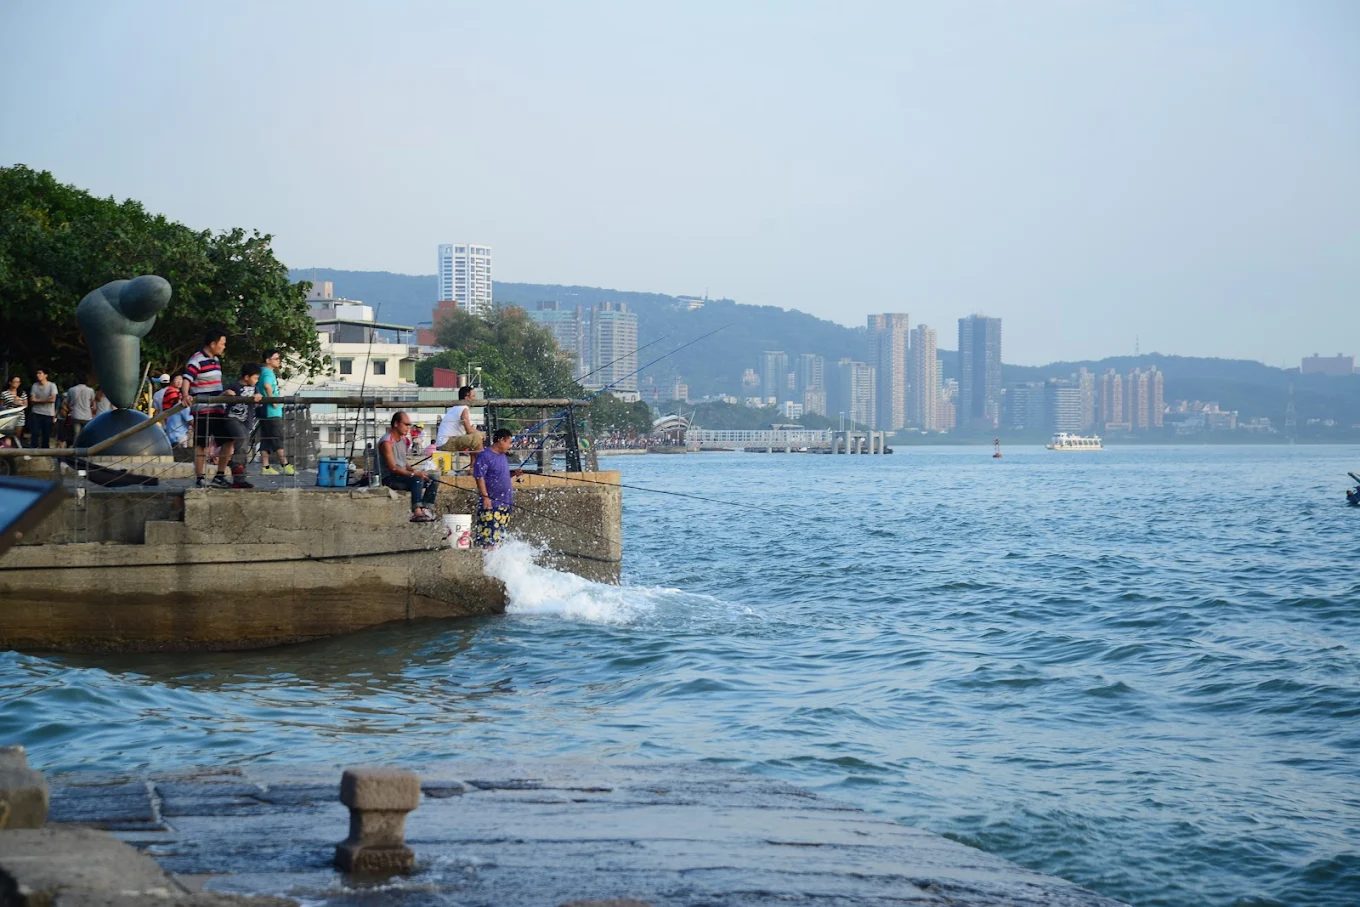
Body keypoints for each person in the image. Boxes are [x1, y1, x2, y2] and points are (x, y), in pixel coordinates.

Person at [183, 326, 244, 489]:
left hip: (217, 408)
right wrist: (185, 395)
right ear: (212, 343)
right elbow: (187, 379)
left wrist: (225, 393)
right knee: (201, 444)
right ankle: (200, 478)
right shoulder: (196, 360)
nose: (224, 346)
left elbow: (214, 386)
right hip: (202, 409)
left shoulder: (216, 361)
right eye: (222, 343)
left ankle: (220, 475)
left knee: (228, 440)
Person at [379, 411, 438, 522]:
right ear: (396, 424)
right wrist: (414, 473)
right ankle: (416, 511)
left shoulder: (403, 441)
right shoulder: (387, 442)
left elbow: (403, 463)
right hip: (389, 478)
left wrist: (415, 470)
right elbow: (393, 468)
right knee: (417, 478)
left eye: (409, 425)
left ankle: (426, 508)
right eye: (406, 424)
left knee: (433, 478)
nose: (408, 428)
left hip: (402, 476)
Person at [472, 428, 524, 549]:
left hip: (505, 503)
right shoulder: (485, 455)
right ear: (501, 440)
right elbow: (479, 476)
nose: (510, 446)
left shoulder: (502, 456)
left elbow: (499, 475)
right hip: (491, 504)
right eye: (509, 442)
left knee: (499, 539)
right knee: (488, 539)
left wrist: (514, 473)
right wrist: (485, 497)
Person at [257, 349, 294, 476]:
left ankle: (266, 467)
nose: (279, 361)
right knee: (277, 437)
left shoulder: (263, 372)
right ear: (268, 360)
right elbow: (267, 386)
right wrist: (273, 400)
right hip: (271, 411)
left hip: (264, 410)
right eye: (276, 359)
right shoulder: (267, 372)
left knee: (266, 438)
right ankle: (285, 464)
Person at [435, 385, 485, 470]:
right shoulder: (464, 408)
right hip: (446, 442)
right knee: (476, 438)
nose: (475, 399)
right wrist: (481, 434)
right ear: (466, 397)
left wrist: (478, 433)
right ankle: (477, 467)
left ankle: (474, 466)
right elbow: (469, 430)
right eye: (473, 396)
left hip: (444, 442)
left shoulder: (456, 408)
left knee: (476, 438)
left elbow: (470, 429)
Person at [27, 369, 58, 449]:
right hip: (36, 412)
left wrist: (38, 400)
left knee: (46, 434)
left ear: (45, 375)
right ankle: (33, 449)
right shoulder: (35, 385)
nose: (38, 375)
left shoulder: (52, 385)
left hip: (48, 413)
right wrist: (46, 400)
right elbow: (32, 400)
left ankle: (45, 451)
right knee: (35, 432)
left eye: (40, 373)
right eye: (37, 373)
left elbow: (53, 400)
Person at [160, 375, 192, 447]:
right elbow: (191, 421)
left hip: (169, 428)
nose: (179, 382)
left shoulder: (171, 392)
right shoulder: (177, 398)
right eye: (177, 379)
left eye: (181, 380)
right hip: (178, 434)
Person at [67, 376, 94, 443]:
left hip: (76, 415)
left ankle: (76, 449)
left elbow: (68, 402)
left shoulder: (71, 390)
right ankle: (86, 449)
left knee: (76, 434)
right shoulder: (90, 390)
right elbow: (92, 403)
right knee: (86, 434)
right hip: (87, 416)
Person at [1, 376, 26, 443]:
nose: (16, 383)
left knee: (17, 436)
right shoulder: (4, 393)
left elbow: (26, 405)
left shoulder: (22, 393)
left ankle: (16, 450)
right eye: (15, 382)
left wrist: (20, 403)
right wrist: (12, 403)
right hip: (8, 417)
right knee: (8, 436)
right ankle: (7, 450)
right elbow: (1, 406)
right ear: (10, 382)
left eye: (18, 382)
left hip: (20, 417)